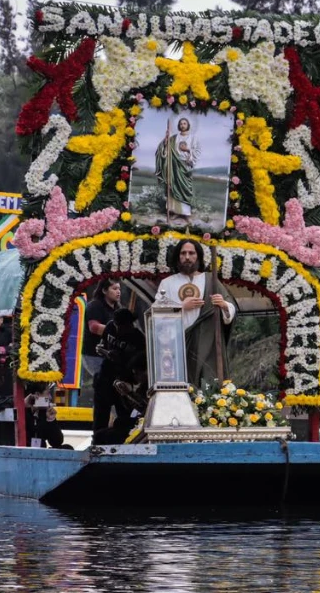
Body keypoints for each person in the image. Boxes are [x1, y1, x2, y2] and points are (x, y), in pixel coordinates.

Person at [156, 239, 237, 386]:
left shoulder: (210, 280)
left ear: (198, 256)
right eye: (183, 253)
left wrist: (223, 305)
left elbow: (230, 307)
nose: (187, 257)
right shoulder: (167, 283)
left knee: (208, 385)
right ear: (178, 257)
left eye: (191, 253)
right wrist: (181, 307)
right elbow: (157, 315)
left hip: (207, 343)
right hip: (177, 345)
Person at [94, 308, 147, 431]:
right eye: (116, 325)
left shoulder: (138, 338)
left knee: (124, 412)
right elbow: (103, 343)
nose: (118, 330)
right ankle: (98, 435)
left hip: (125, 376)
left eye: (122, 327)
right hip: (106, 373)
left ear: (129, 325)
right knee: (101, 410)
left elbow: (138, 363)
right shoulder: (110, 326)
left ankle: (123, 434)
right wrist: (102, 350)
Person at [155, 117, 199, 224]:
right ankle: (175, 212)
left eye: (184, 123)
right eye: (181, 124)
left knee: (185, 189)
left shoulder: (192, 138)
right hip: (173, 165)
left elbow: (197, 151)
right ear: (178, 126)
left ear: (188, 125)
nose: (182, 125)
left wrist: (187, 150)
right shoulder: (173, 138)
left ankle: (186, 214)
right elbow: (165, 150)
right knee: (173, 188)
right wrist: (166, 140)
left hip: (185, 165)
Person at [82, 279, 122, 394]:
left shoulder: (117, 309)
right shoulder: (95, 305)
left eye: (119, 289)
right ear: (104, 290)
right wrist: (118, 332)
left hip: (110, 356)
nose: (118, 292)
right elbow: (94, 327)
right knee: (105, 385)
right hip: (94, 355)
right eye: (114, 289)